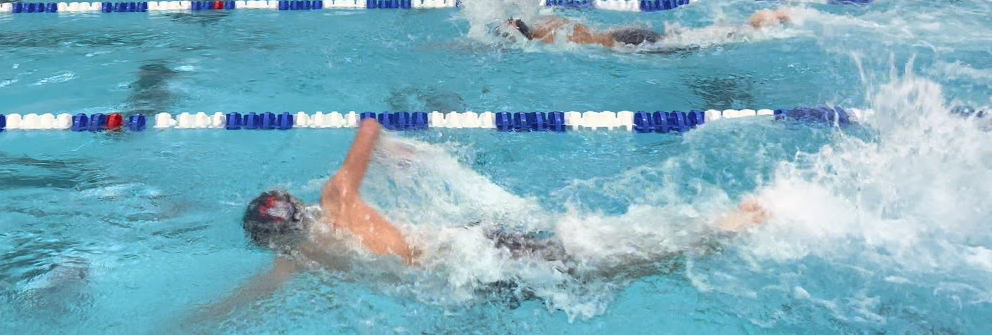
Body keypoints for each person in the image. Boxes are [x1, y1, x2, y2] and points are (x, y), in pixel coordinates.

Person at [223, 119, 768, 319]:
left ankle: (716, 231)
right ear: (294, 205)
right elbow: (368, 125)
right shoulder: (337, 197)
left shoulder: (297, 259)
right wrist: (388, 148)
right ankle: (709, 235)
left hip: (464, 268)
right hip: (467, 257)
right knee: (588, 267)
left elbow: (244, 302)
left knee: (591, 266)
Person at [501, 10, 791, 48]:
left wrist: (519, 30)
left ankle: (753, 26)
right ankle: (752, 25)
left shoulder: (553, 34)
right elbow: (530, 33)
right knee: (687, 39)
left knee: (688, 45)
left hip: (628, 42)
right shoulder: (558, 23)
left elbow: (531, 38)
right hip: (623, 33)